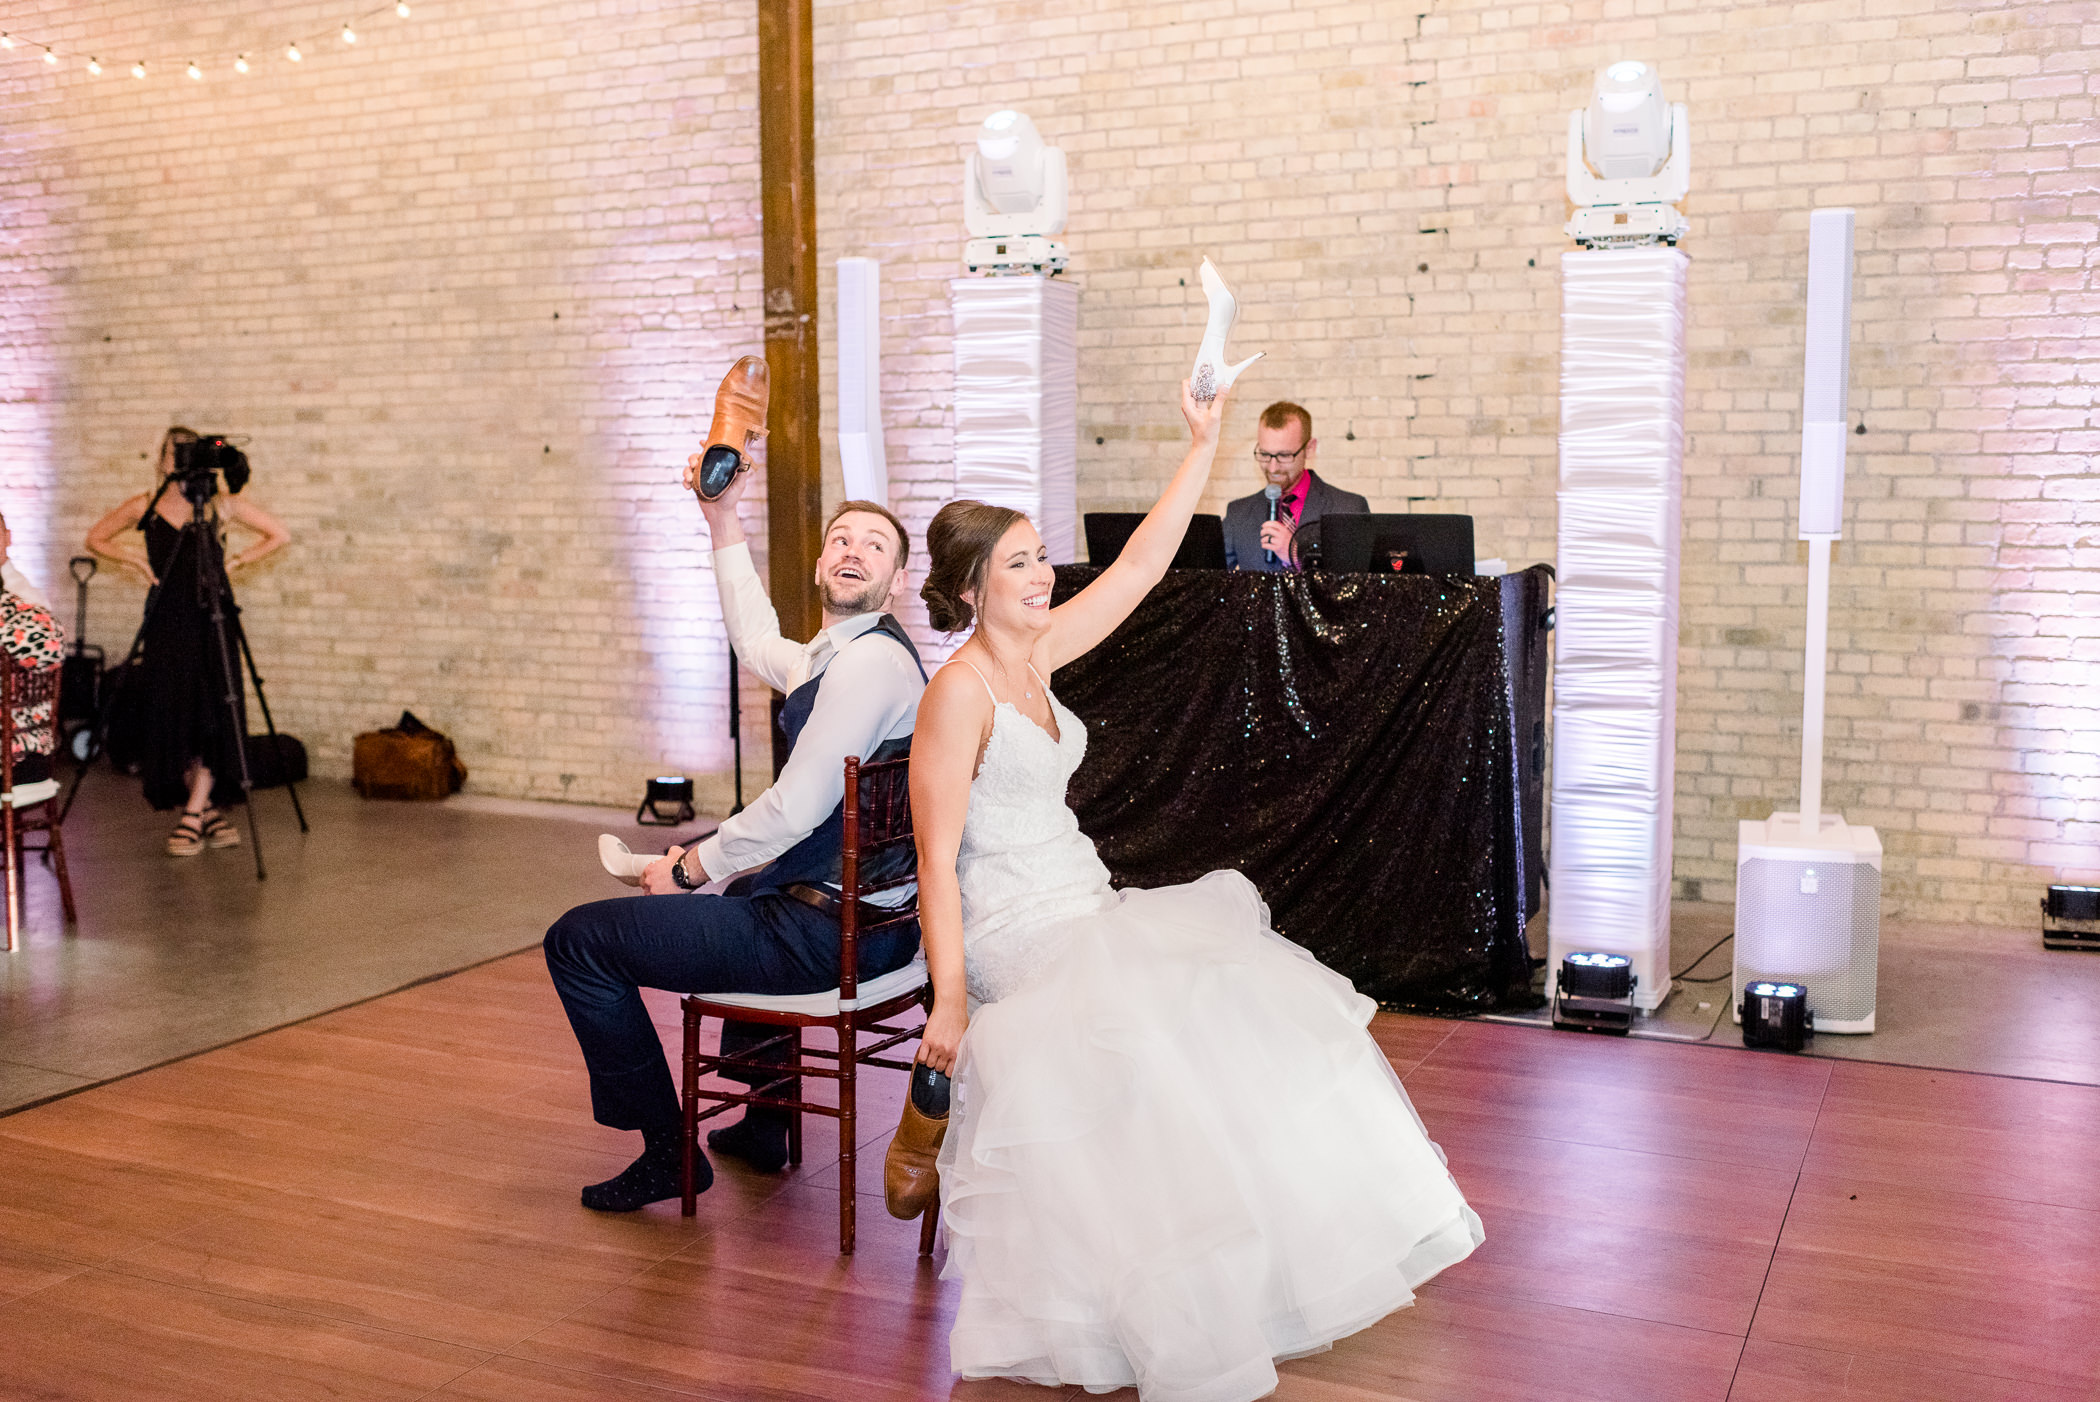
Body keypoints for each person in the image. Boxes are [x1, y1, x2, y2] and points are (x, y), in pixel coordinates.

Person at [910, 380, 1482, 1402]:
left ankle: (1248, 1269)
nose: (1043, 575)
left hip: (1084, 903)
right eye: (1019, 563)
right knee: (1155, 1027)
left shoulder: (1038, 654)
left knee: (1227, 1003)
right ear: (967, 590)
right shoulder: (956, 694)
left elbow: (1139, 564)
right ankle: (1144, 1301)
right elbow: (935, 861)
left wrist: (1201, 443)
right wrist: (950, 997)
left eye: (1040, 555)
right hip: (1011, 928)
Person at [542, 461, 927, 1214]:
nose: (852, 550)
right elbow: (757, 641)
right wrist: (723, 519)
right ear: (820, 563)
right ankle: (763, 1121)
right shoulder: (843, 655)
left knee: (578, 942)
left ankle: (666, 1156)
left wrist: (689, 870)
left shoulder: (872, 667)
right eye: (840, 539)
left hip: (830, 935)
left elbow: (794, 808)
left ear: (899, 578)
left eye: (874, 546)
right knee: (752, 884)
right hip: (868, 921)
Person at [83, 427, 291, 856]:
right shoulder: (146, 504)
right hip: (166, 621)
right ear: (160, 460)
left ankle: (193, 815)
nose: (178, 461)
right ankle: (207, 807)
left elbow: (279, 535)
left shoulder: (220, 504)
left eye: (186, 452)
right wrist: (136, 561)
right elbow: (96, 537)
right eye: (171, 453)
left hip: (212, 619)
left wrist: (233, 561)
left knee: (216, 711)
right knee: (176, 714)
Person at [1221, 400, 1369, 571]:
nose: (1273, 467)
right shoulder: (1238, 514)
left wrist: (1297, 554)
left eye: (1284, 456)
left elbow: (1357, 587)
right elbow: (1209, 581)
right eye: (1265, 454)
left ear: (1310, 449)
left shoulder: (1348, 508)